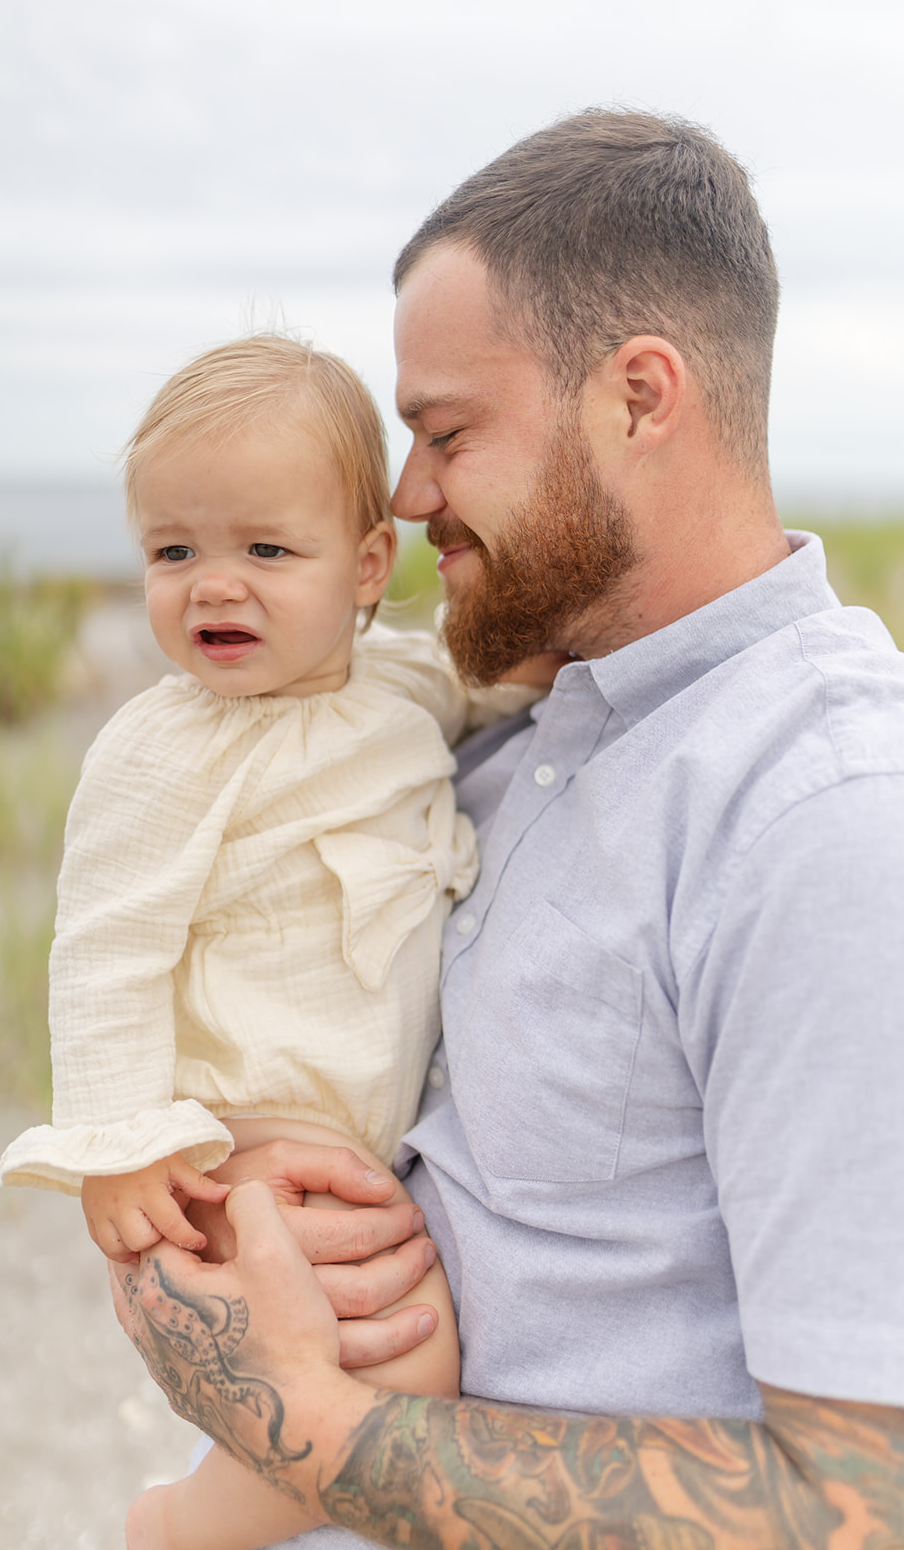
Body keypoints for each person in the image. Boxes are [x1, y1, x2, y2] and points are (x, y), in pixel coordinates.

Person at [111, 110, 904, 1546]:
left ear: (638, 399)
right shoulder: (502, 730)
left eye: (444, 434)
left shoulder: (825, 822)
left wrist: (325, 1435)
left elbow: (854, 1506)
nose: (405, 498)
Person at [0, 334, 549, 1550]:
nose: (213, 585)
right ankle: (186, 1522)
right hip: (238, 1134)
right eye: (172, 551)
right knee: (409, 1359)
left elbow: (502, 689)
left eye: (264, 549)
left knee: (364, 1355)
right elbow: (103, 951)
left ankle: (256, 1500)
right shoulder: (161, 752)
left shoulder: (402, 691)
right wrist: (121, 1146)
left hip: (362, 1138)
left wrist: (559, 664)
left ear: (365, 566)